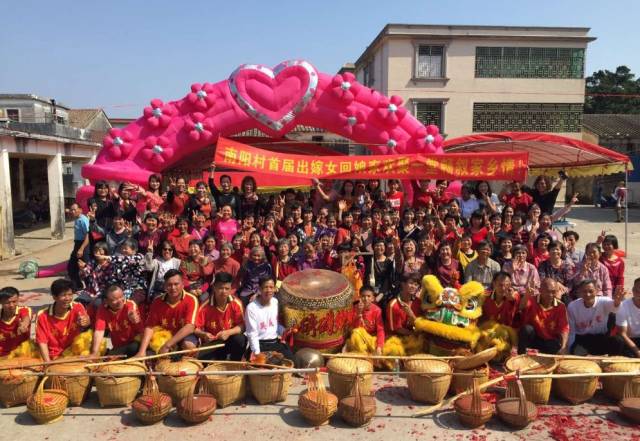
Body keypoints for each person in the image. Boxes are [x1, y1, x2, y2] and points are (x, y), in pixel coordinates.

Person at [135, 270, 199, 356]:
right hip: (164, 336)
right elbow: (150, 326)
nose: (173, 288)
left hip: (183, 336)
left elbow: (190, 327)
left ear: (182, 284)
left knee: (189, 346)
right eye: (169, 285)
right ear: (164, 286)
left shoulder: (191, 299)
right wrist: (141, 351)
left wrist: (167, 345)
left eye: (176, 284)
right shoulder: (157, 301)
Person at [195, 272, 247, 361]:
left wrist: (228, 332)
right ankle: (218, 359)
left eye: (227, 288)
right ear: (214, 287)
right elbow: (195, 328)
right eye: (220, 288)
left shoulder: (236, 303)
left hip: (230, 339)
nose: (224, 291)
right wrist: (204, 334)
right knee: (203, 360)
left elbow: (243, 326)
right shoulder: (205, 306)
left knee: (241, 339)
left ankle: (234, 364)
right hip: (213, 342)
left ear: (231, 289)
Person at [36, 279, 90, 362]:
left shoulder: (78, 306)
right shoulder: (42, 316)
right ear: (54, 297)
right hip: (53, 355)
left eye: (70, 294)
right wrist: (47, 363)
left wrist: (86, 322)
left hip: (75, 351)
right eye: (63, 295)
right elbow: (42, 342)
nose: (67, 298)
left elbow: (87, 321)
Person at [567, 280, 624, 355]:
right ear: (579, 292)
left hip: (600, 338)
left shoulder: (603, 301)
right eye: (584, 291)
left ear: (597, 291)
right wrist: (569, 348)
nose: (588, 294)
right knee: (577, 353)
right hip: (582, 339)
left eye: (591, 291)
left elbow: (614, 308)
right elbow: (572, 331)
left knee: (618, 341)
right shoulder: (573, 306)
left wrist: (617, 301)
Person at [244, 277, 294, 361]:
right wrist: (257, 352)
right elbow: (252, 333)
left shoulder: (275, 302)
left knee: (292, 361)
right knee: (264, 367)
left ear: (275, 288)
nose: (269, 290)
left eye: (271, 287)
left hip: (274, 342)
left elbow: (275, 325)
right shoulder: (251, 308)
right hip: (260, 344)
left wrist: (284, 331)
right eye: (265, 287)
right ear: (259, 289)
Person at [517, 278, 569, 355]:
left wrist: (564, 347)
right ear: (540, 290)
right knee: (526, 329)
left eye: (553, 292)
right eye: (548, 291)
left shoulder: (560, 306)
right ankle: (520, 356)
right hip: (534, 339)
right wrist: (527, 295)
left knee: (555, 348)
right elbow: (520, 307)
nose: (551, 295)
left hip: (550, 340)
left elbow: (564, 329)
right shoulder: (531, 300)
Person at [91, 285, 144, 357]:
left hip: (135, 345)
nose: (120, 301)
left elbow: (132, 312)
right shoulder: (102, 309)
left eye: (121, 296)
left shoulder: (129, 304)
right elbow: (99, 331)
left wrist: (134, 317)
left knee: (133, 347)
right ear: (106, 301)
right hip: (118, 347)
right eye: (115, 299)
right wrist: (95, 352)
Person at [345, 286, 385, 355]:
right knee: (356, 332)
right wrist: (359, 313)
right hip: (358, 340)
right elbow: (353, 329)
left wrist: (379, 347)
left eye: (368, 296)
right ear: (359, 297)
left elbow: (380, 330)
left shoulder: (377, 310)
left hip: (371, 339)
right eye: (363, 296)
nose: (366, 299)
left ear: (373, 298)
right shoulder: (354, 308)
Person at [0, 287, 31, 357]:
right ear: (1, 302)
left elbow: (26, 318)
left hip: (22, 352)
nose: (11, 305)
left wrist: (23, 325)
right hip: (2, 353)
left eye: (14, 301)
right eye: (7, 303)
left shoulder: (24, 310)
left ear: (18, 300)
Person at [615, 278, 640, 358]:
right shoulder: (623, 306)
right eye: (637, 291)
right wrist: (638, 351)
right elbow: (622, 334)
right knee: (619, 341)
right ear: (633, 291)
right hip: (629, 339)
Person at [68, 203, 90, 291]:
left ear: (80, 210)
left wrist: (81, 249)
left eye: (74, 209)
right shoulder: (77, 219)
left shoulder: (83, 220)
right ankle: (77, 286)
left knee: (85, 267)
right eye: (71, 210)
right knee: (72, 267)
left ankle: (90, 287)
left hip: (83, 244)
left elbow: (88, 235)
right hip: (77, 244)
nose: (72, 211)